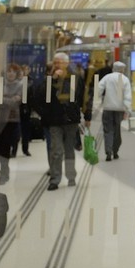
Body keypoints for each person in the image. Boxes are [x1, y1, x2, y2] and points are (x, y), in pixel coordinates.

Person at [42, 51, 89, 190]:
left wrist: (87, 115)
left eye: (59, 62)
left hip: (70, 119)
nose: (56, 65)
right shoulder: (49, 79)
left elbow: (83, 97)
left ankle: (71, 176)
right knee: (56, 150)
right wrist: (53, 80)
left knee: (69, 150)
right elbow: (43, 96)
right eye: (55, 62)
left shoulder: (75, 78)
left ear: (67, 63)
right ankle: (55, 179)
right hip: (54, 119)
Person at [0, 62, 27, 182]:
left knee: (6, 146)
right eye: (9, 71)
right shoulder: (0, 85)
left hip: (12, 120)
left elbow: (16, 102)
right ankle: (0, 170)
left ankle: (4, 171)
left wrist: (2, 99)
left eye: (13, 71)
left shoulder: (20, 85)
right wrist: (9, 99)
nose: (11, 73)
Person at [92, 60, 133, 161]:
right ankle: (115, 151)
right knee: (117, 130)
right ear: (122, 69)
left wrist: (97, 99)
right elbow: (128, 96)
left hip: (108, 108)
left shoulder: (107, 77)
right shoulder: (125, 79)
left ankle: (108, 151)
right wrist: (128, 110)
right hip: (119, 109)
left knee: (108, 130)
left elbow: (98, 89)